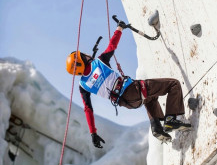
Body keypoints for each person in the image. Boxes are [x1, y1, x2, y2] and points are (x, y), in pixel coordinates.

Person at [66, 20, 191, 148]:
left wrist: (93, 133)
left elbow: (88, 109)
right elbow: (112, 45)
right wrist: (120, 28)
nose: (87, 54)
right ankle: (171, 119)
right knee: (173, 85)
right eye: (83, 55)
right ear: (81, 60)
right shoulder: (99, 62)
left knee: (150, 99)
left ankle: (156, 127)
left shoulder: (83, 86)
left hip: (127, 103)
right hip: (133, 90)